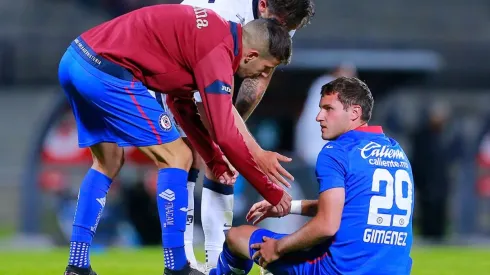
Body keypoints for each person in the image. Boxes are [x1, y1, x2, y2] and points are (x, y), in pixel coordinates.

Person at [58, 4, 294, 275]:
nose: (262, 75)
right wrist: (272, 192)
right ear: (252, 55)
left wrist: (214, 160)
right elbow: (226, 134)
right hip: (106, 70)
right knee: (178, 156)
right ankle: (177, 267)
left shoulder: (217, 37)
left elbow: (179, 103)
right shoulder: (218, 53)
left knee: (107, 162)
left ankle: (77, 265)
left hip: (76, 58)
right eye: (266, 67)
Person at [210, 77, 415, 275]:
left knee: (238, 236)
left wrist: (278, 248)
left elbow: (327, 225)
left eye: (328, 109)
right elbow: (355, 207)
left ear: (354, 112)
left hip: (340, 270)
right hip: (394, 269)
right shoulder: (397, 152)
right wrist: (291, 207)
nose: (319, 116)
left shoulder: (337, 151)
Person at [168, 0, 315, 269]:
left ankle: (215, 262)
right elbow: (212, 102)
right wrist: (248, 147)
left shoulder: (282, 18)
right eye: (281, 26)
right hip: (175, 64)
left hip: (206, 68)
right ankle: (183, 262)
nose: (285, 32)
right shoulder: (223, 16)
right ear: (262, 6)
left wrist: (231, 139)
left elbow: (259, 78)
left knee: (222, 157)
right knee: (185, 157)